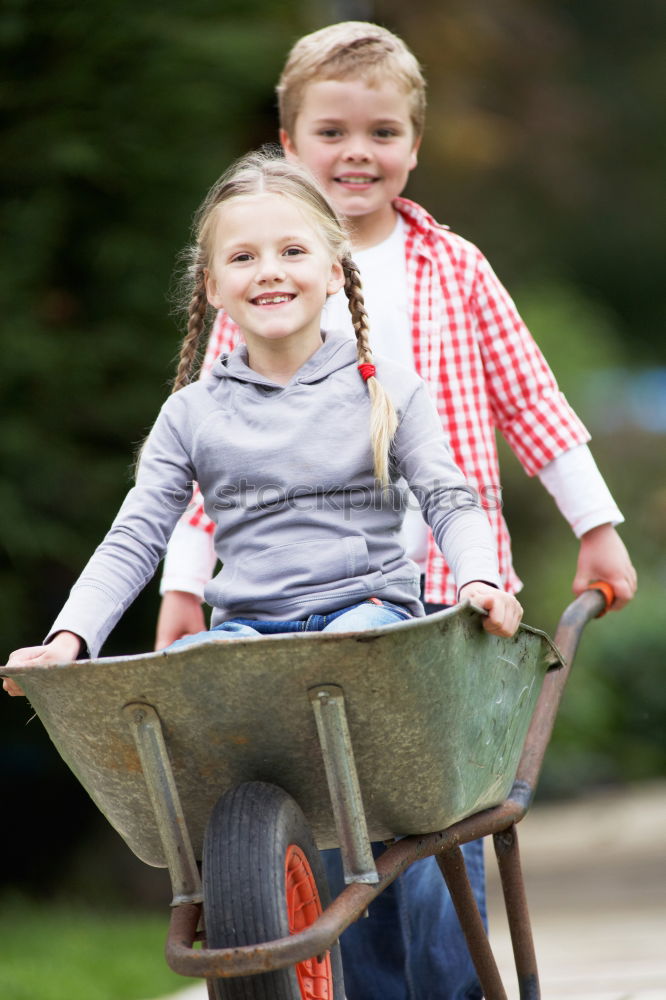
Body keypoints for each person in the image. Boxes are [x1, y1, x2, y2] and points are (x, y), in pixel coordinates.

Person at [151, 23, 636, 1000]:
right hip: (295, 608)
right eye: (332, 132)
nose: (357, 153)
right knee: (334, 832)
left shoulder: (454, 269)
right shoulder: (266, 275)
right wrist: (184, 582)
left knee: (428, 828)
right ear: (289, 143)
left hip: (446, 606)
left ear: (414, 144)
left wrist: (598, 525)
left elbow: (533, 401)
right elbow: (215, 460)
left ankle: (448, 990)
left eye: (382, 131)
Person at [3, 149, 521, 679]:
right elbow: (136, 534)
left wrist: (478, 580)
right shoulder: (191, 413)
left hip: (370, 620)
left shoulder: (388, 389)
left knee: (341, 660)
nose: (269, 272)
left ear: (334, 272)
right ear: (213, 286)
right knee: (185, 675)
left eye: (293, 251)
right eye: (243, 257)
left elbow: (451, 500)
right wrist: (68, 638)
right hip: (246, 631)